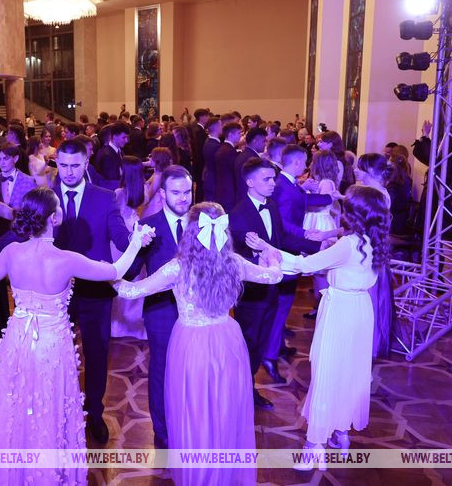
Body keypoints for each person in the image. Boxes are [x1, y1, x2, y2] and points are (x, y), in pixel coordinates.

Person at [0, 187, 153, 485]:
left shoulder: (11, 252)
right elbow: (116, 270)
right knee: (47, 404)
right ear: (55, 218)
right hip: (51, 346)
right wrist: (135, 242)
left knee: (12, 401)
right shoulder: (66, 259)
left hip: (17, 341)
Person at [115, 202, 282, 485]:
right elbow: (274, 276)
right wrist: (270, 254)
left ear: (190, 231)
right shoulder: (234, 263)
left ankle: (199, 474)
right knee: (225, 409)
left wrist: (111, 269)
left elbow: (130, 291)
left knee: (194, 412)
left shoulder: (177, 268)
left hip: (190, 346)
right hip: (228, 343)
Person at [248, 186, 390, 467]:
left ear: (354, 213)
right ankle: (341, 434)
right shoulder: (375, 240)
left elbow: (306, 265)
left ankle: (314, 446)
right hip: (361, 310)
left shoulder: (348, 244)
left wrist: (268, 249)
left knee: (327, 373)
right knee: (350, 374)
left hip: (340, 311)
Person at [53, 139, 131, 444]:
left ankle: (94, 413)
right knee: (55, 353)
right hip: (54, 290)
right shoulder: (45, 196)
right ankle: (58, 409)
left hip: (95, 290)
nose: (69, 172)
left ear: (86, 164)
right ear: (56, 164)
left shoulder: (105, 197)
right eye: (63, 165)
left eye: (75, 165)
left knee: (97, 353)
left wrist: (138, 241)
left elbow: (120, 237)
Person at [229, 158, 320, 409]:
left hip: (271, 290)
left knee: (260, 341)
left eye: (273, 178)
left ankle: (249, 389)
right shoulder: (238, 215)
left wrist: (316, 246)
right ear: (250, 182)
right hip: (251, 295)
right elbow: (237, 259)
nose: (273, 183)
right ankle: (242, 393)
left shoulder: (270, 205)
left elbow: (282, 241)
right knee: (248, 343)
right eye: (266, 179)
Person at [123, 166, 193, 448]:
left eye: (187, 192)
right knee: (162, 370)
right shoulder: (148, 225)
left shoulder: (203, 222)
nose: (183, 198)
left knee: (193, 369)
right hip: (161, 312)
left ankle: (190, 422)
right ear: (163, 194)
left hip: (197, 313)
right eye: (176, 192)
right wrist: (136, 245)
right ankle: (162, 429)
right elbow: (131, 273)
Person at [263, 146, 331, 383]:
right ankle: (269, 355)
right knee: (281, 305)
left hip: (289, 249)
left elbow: (301, 200)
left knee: (285, 303)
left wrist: (330, 197)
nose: (307, 165)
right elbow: (282, 224)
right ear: (297, 163)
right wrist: (307, 237)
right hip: (285, 252)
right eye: (305, 162)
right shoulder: (283, 185)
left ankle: (277, 346)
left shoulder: (288, 183)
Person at [356, 153, 394, 358]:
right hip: (371, 249)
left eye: (360, 167)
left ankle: (365, 348)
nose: (355, 170)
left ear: (370, 170)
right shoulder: (376, 192)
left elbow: (364, 226)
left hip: (369, 253)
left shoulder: (376, 194)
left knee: (369, 301)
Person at [110, 156, 148, 341]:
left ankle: (118, 325)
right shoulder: (143, 190)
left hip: (120, 231)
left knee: (119, 275)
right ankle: (135, 323)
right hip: (135, 227)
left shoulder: (118, 193)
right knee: (137, 276)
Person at [302, 149, 343, 319]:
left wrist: (304, 194)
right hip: (315, 220)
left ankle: (322, 306)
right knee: (317, 270)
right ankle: (318, 305)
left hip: (320, 222)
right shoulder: (322, 181)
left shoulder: (326, 183)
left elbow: (320, 205)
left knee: (320, 271)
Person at [0, 143, 36, 209]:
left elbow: (33, 208)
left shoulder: (29, 181)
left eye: (6, 158)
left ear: (15, 159)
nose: (2, 163)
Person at [214, 122, 242, 211]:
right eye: (238, 133)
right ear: (231, 135)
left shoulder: (224, 148)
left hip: (222, 189)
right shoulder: (229, 151)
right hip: (229, 191)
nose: (240, 135)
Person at [94, 122, 130, 191]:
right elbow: (111, 181)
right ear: (114, 136)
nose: (126, 141)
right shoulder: (106, 155)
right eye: (124, 137)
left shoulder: (120, 152)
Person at [141, 147, 172, 219]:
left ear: (158, 160)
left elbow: (147, 198)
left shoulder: (158, 176)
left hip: (154, 209)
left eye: (152, 157)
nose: (149, 159)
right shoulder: (159, 172)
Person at [189, 108, 210, 202]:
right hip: (200, 162)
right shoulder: (199, 131)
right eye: (207, 116)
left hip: (197, 161)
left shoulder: (198, 128)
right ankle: (199, 203)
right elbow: (200, 149)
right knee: (200, 186)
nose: (208, 118)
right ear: (201, 117)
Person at [201, 117, 222, 201]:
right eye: (221, 125)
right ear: (216, 127)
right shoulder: (214, 145)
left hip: (209, 177)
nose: (222, 127)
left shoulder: (209, 141)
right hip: (213, 180)